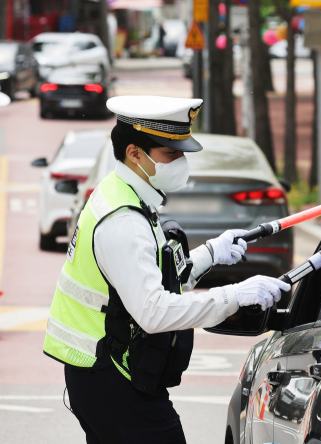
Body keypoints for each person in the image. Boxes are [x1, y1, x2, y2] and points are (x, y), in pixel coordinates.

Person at [43, 95, 290, 444]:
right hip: (111, 375)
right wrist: (232, 296)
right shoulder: (123, 219)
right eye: (171, 154)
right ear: (134, 153)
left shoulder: (128, 195)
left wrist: (211, 253)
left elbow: (155, 274)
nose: (181, 162)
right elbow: (154, 312)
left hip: (107, 369)